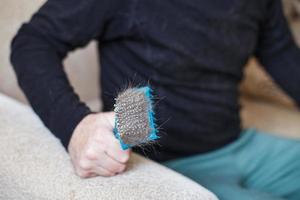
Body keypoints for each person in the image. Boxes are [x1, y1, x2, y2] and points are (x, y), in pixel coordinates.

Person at [10, 0, 300, 199]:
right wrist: (75, 126)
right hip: (159, 162)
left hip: (240, 144)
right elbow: (33, 42)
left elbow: (282, 55)